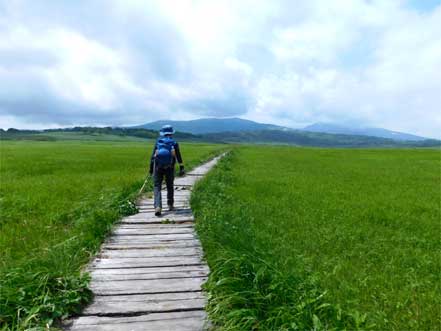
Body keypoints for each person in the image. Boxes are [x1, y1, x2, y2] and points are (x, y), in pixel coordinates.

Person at [149, 125, 185, 216]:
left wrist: (150, 170)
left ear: (162, 133)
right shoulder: (174, 143)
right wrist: (181, 167)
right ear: (172, 133)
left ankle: (158, 206)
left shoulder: (158, 142)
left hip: (158, 167)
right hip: (170, 167)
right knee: (170, 185)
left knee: (157, 186)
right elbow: (178, 156)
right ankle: (170, 204)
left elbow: (152, 157)